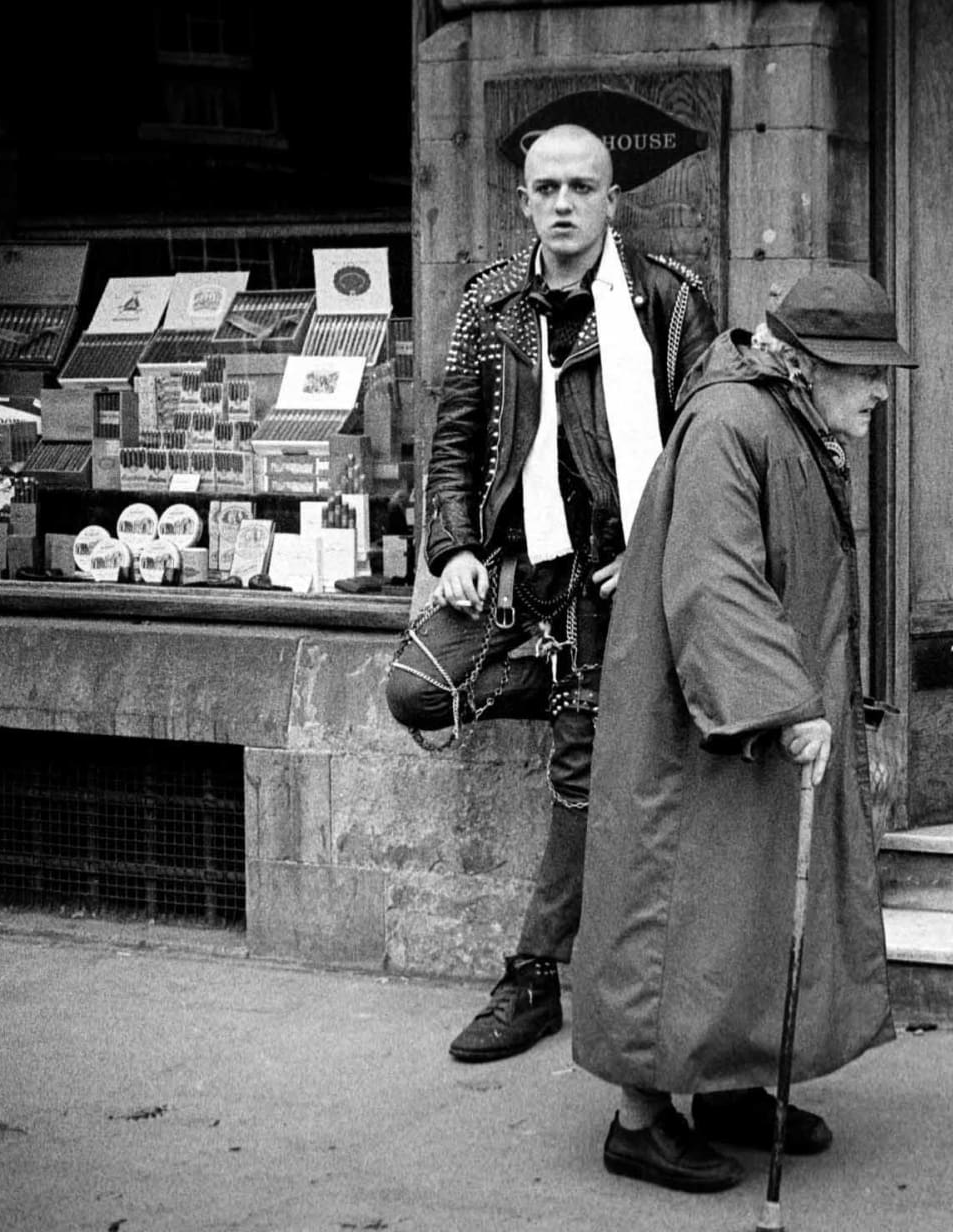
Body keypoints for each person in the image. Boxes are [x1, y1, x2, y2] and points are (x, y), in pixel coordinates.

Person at [571, 268, 916, 1193]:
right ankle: (637, 1121)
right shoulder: (736, 424)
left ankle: (727, 1088)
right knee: (674, 910)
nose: (883, 391)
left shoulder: (781, 420)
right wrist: (788, 704)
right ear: (805, 363)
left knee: (743, 912)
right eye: (868, 372)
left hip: (747, 718)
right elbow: (715, 578)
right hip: (704, 728)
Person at [387, 123, 717, 1064]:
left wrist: (657, 548)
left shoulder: (668, 298)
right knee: (416, 690)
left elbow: (704, 442)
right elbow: (452, 444)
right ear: (524, 200)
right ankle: (583, 691)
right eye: (546, 188)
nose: (563, 203)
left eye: (582, 186)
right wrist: (452, 547)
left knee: (579, 765)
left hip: (615, 574)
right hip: (516, 572)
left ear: (614, 199)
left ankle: (532, 977)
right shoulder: (490, 301)